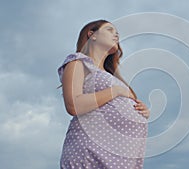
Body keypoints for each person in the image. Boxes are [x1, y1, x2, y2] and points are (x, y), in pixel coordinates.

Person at [57, 19, 150, 169]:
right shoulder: (78, 63)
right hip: (91, 154)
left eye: (117, 33)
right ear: (92, 35)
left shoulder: (113, 76)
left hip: (122, 157)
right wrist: (115, 91)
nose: (116, 35)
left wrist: (142, 111)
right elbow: (73, 105)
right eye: (109, 30)